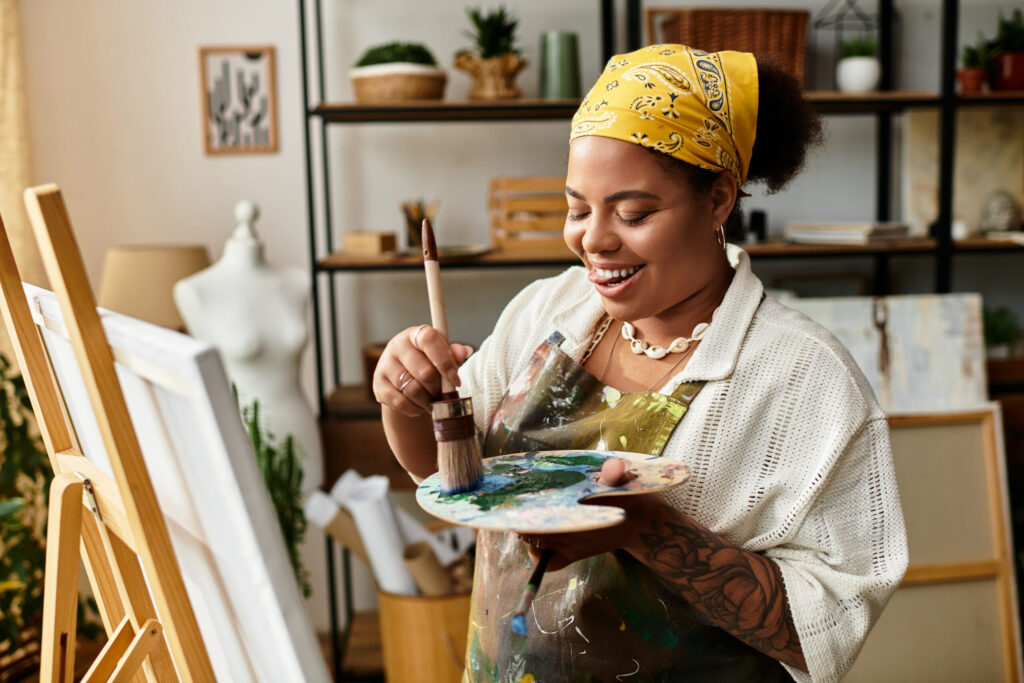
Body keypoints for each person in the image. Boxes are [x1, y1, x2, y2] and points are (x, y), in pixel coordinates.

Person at [373, 45, 907, 682]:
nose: (594, 240)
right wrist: (406, 399)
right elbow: (452, 475)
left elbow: (826, 631)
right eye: (577, 209)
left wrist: (642, 527)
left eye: (633, 214)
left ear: (718, 199)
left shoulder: (802, 378)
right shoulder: (548, 308)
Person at [175, 200, 323, 493]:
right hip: (242, 437)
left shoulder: (297, 281)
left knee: (309, 513)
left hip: (300, 430)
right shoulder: (197, 291)